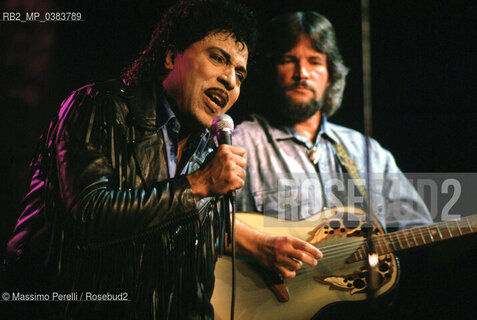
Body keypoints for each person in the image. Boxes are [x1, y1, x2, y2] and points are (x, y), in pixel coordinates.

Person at [4, 0, 257, 319]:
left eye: (240, 74)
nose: (231, 80)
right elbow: (89, 215)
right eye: (218, 58)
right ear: (170, 56)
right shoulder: (98, 107)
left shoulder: (208, 154)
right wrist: (198, 185)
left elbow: (194, 282)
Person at [232, 12, 432, 280]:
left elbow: (423, 234)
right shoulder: (239, 142)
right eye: (288, 60)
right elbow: (198, 224)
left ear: (331, 75)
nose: (301, 73)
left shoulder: (369, 151)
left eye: (314, 61)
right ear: (270, 71)